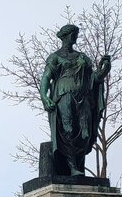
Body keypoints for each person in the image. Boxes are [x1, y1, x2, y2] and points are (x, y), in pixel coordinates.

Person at [40, 23, 111, 176]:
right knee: (68, 130)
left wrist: (105, 69)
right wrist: (44, 98)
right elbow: (46, 78)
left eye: (76, 33)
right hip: (63, 96)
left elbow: (94, 78)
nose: (76, 36)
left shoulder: (82, 57)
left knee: (86, 133)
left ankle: (77, 166)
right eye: (74, 33)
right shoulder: (55, 57)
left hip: (83, 97)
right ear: (66, 36)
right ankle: (73, 168)